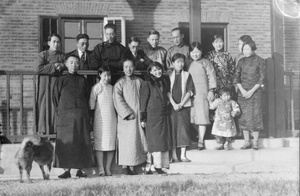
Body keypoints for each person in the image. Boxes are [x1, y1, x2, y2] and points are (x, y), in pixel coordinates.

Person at [52, 55, 94, 178]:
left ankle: (80, 169)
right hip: (65, 115)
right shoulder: (61, 80)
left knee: (81, 140)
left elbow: (87, 98)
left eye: (76, 63)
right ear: (66, 64)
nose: (74, 65)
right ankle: (66, 170)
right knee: (67, 141)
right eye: (71, 62)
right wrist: (61, 111)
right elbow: (55, 98)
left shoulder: (83, 80)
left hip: (81, 114)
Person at [113, 59, 147, 175]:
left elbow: (144, 97)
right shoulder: (120, 83)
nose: (129, 69)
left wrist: (142, 113)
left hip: (137, 115)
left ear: (134, 67)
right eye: (126, 67)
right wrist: (127, 113)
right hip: (126, 118)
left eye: (131, 66)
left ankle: (132, 166)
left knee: (134, 140)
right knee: (125, 141)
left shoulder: (140, 81)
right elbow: (118, 99)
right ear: (123, 69)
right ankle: (124, 166)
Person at [234, 40, 266, 150]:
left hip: (255, 92)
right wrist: (242, 90)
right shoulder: (241, 61)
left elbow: (262, 78)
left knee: (255, 116)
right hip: (242, 92)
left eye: (248, 49)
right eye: (244, 49)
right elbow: (236, 77)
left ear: (253, 49)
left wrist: (251, 91)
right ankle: (246, 141)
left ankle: (255, 142)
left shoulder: (260, 61)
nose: (245, 51)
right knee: (243, 116)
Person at [140, 62, 171, 175]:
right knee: (153, 141)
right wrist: (143, 118)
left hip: (162, 115)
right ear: (150, 72)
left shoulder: (163, 81)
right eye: (154, 70)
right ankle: (151, 166)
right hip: (152, 116)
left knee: (162, 141)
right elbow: (143, 100)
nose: (157, 72)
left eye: (159, 69)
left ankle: (160, 166)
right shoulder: (147, 83)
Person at [187, 42, 217, 150]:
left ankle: (200, 140)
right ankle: (198, 134)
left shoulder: (206, 63)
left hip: (203, 93)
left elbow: (212, 77)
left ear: (201, 51)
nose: (195, 54)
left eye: (197, 52)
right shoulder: (188, 64)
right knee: (191, 118)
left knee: (202, 117)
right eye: (192, 52)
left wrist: (211, 91)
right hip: (191, 95)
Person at [89, 65, 117, 177]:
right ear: (100, 75)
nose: (107, 78)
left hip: (111, 118)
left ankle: (108, 167)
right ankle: (100, 168)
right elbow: (91, 105)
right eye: (105, 75)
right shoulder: (96, 88)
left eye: (109, 75)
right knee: (100, 143)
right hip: (100, 118)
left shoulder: (112, 88)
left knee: (110, 142)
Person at [35, 33, 65, 134]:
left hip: (57, 84)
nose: (56, 44)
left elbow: (66, 65)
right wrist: (54, 66)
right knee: (44, 105)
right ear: (49, 43)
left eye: (58, 42)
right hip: (45, 85)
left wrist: (61, 65)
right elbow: (38, 68)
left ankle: (56, 131)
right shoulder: (43, 54)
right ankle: (43, 131)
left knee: (56, 105)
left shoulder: (62, 56)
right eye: (54, 42)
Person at [168, 53, 194, 162]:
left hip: (183, 107)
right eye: (178, 62)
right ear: (173, 63)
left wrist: (181, 104)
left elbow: (190, 91)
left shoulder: (187, 75)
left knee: (183, 129)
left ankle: (183, 155)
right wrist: (174, 104)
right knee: (173, 129)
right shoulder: (168, 75)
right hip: (172, 107)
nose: (180, 64)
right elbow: (167, 91)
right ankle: (174, 155)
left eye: (182, 61)